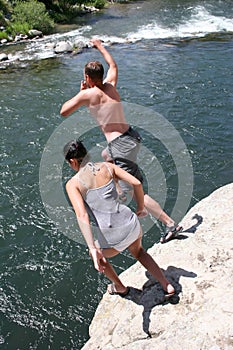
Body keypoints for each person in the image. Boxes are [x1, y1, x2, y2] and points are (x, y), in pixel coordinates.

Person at [60, 38, 182, 243]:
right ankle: (117, 185)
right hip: (131, 136)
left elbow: (63, 111)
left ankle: (170, 224)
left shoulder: (89, 94)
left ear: (87, 77)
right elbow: (113, 65)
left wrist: (80, 93)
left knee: (136, 189)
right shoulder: (111, 86)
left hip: (120, 146)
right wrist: (100, 46)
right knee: (106, 156)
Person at [63, 139, 175, 297]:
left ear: (73, 161)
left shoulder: (73, 184)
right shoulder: (108, 166)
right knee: (139, 252)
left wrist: (92, 249)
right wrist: (141, 208)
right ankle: (166, 284)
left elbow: (82, 215)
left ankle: (119, 287)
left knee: (96, 252)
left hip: (112, 237)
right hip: (131, 223)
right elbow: (136, 183)